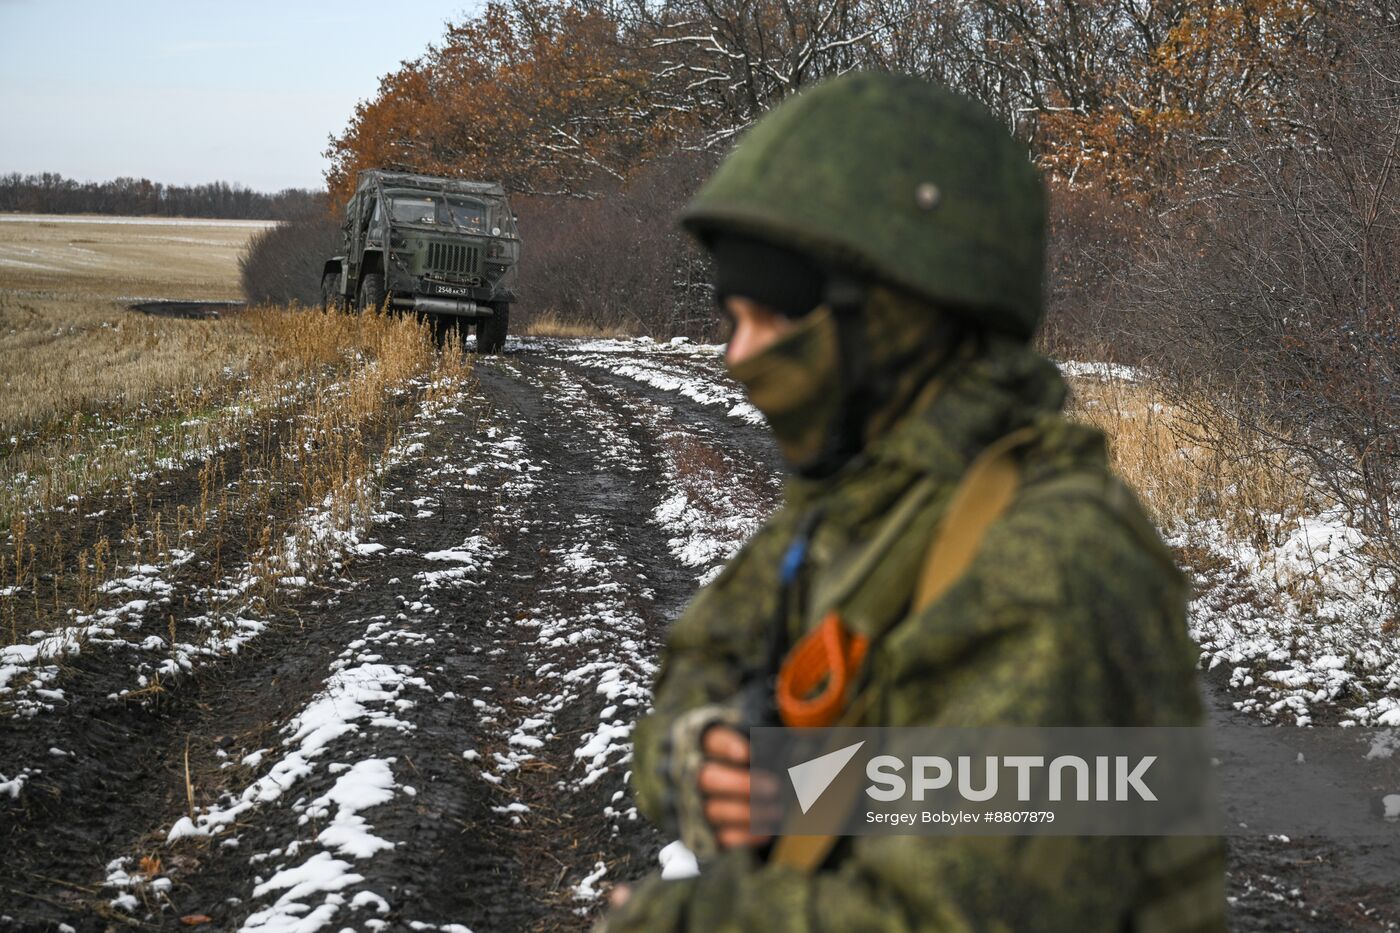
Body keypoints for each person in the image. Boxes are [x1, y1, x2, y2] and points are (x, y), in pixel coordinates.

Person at [603, 71, 1225, 932]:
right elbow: (698, 666)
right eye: (729, 319)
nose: (739, 356)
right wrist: (703, 758)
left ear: (897, 314)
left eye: (773, 320)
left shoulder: (1049, 559)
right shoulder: (858, 504)